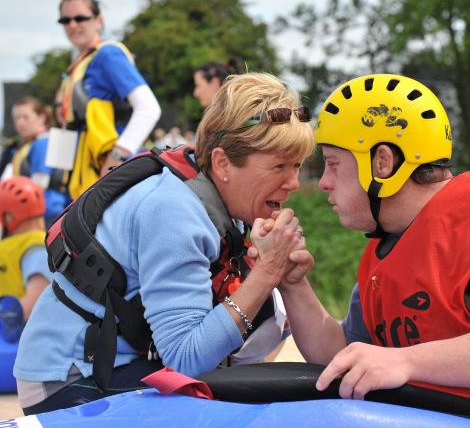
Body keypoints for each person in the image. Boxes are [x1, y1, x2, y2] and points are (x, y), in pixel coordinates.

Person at [275, 74, 470, 414]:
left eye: (332, 165)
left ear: (382, 163)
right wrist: (292, 283)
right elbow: (344, 355)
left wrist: (404, 362)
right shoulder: (390, 245)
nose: (323, 183)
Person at [14, 72, 314, 414]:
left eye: (298, 166)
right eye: (279, 167)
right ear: (222, 163)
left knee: (265, 310)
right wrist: (267, 271)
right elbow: (186, 358)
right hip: (70, 380)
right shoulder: (174, 211)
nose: (293, 183)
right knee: (235, 396)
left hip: (119, 362)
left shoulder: (209, 190)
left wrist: (277, 275)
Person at [54, 0, 161, 200]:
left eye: (80, 18)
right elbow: (70, 126)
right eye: (65, 20)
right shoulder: (77, 66)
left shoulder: (108, 54)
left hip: (109, 176)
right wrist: (55, 182)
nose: (72, 25)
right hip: (81, 178)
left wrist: (117, 158)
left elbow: (149, 108)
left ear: (98, 20)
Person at [0, 177, 52, 341]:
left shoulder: (35, 247)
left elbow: (36, 298)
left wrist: (7, 316)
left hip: (22, 340)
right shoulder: (20, 245)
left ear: (8, 216)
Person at [10, 96, 70, 227]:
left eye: (25, 117)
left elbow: (39, 185)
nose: (20, 122)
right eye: (17, 118)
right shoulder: (32, 143)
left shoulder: (42, 143)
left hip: (45, 216)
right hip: (52, 213)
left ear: (41, 117)